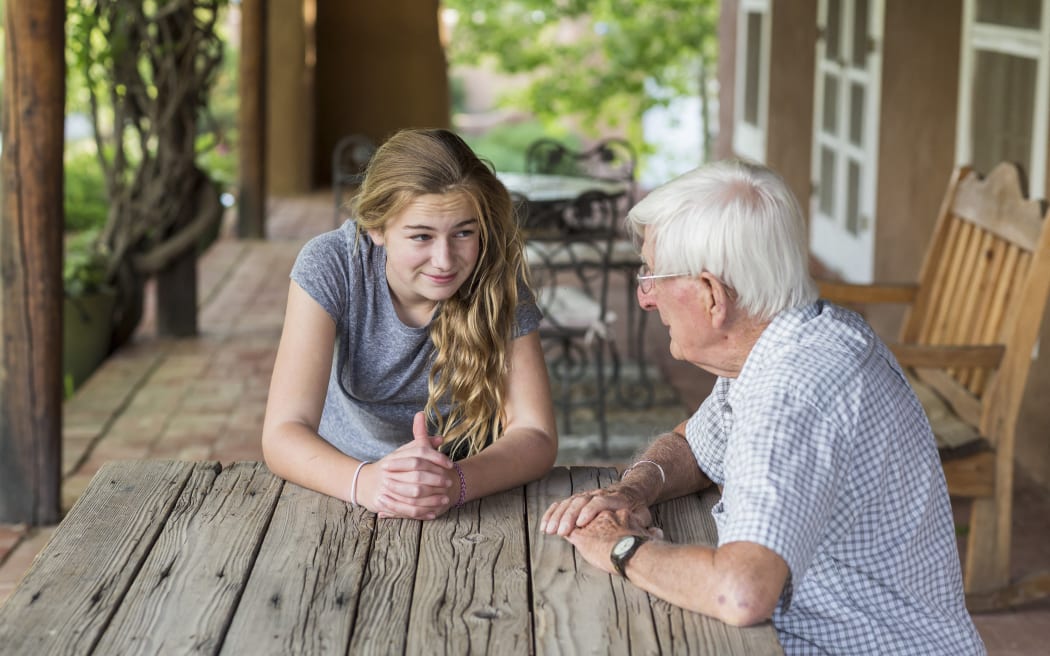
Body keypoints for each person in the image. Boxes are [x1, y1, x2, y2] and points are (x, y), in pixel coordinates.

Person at [541, 160, 985, 654]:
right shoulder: (790, 338)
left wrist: (620, 547)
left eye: (653, 276)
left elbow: (740, 593)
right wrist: (633, 490)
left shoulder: (792, 391)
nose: (645, 297)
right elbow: (694, 442)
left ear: (711, 294)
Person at [263, 128, 557, 520]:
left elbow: (536, 433)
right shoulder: (333, 263)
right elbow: (284, 430)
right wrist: (369, 483)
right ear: (376, 228)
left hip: (468, 484)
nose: (444, 260)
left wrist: (456, 483)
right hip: (344, 481)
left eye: (464, 232)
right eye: (421, 236)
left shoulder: (494, 273)